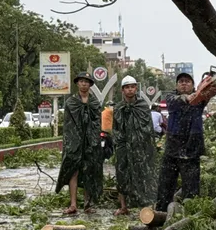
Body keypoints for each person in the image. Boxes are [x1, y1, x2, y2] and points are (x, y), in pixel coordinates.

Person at [155, 72, 216, 213]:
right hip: (172, 148)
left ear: (193, 85)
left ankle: (190, 216)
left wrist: (212, 79)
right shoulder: (171, 98)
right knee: (165, 184)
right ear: (177, 85)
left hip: (192, 148)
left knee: (191, 188)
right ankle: (161, 213)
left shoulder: (201, 98)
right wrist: (189, 97)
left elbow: (214, 89)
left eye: (187, 81)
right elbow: (180, 100)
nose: (184, 83)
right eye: (181, 81)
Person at [56, 72, 103, 215]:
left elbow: (97, 123)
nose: (84, 84)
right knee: (74, 172)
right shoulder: (71, 102)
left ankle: (88, 205)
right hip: (75, 143)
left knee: (89, 171)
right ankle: (73, 204)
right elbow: (69, 125)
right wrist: (72, 142)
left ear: (90, 85)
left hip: (91, 143)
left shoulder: (95, 103)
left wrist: (94, 140)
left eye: (87, 82)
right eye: (81, 81)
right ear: (77, 83)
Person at [113, 75, 157, 216]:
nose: (130, 90)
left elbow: (148, 127)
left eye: (132, 87)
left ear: (136, 89)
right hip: (123, 147)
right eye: (127, 87)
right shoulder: (118, 107)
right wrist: (120, 143)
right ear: (122, 90)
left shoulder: (143, 106)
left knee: (144, 173)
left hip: (141, 147)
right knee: (122, 174)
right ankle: (123, 206)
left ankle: (146, 205)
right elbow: (116, 128)